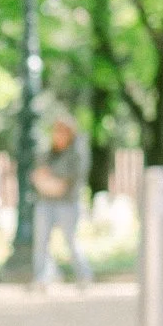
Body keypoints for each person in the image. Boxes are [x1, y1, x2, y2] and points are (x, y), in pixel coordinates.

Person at [32, 119, 92, 286]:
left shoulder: (76, 155)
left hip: (67, 204)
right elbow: (37, 176)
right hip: (45, 202)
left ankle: (84, 275)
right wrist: (49, 181)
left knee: (71, 240)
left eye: (62, 131)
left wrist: (49, 181)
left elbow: (63, 184)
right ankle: (43, 278)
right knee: (41, 242)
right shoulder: (47, 154)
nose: (57, 135)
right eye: (55, 131)